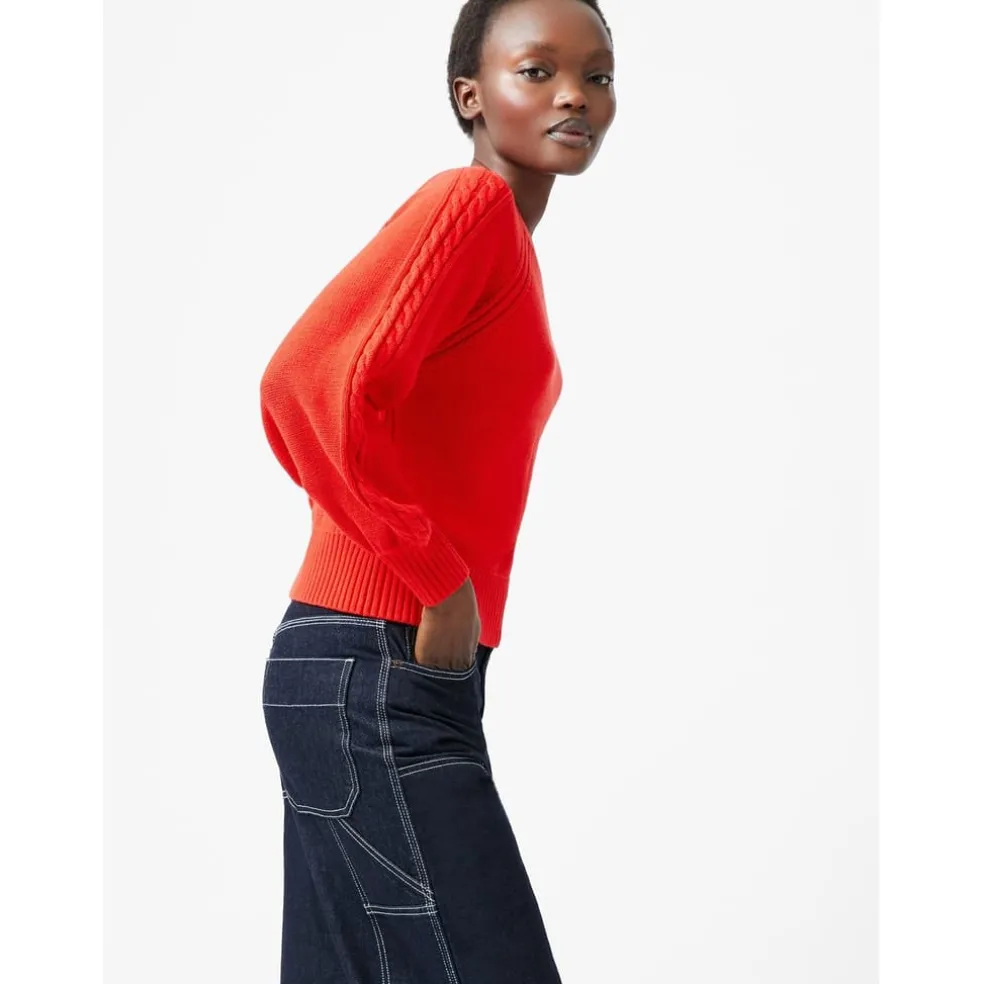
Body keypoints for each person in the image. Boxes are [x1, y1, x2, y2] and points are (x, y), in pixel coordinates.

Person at [258, 0, 616, 979]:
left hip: (372, 667)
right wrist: (436, 579)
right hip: (377, 661)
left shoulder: (507, 248)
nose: (575, 96)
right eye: (537, 71)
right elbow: (304, 384)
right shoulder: (471, 207)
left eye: (597, 75)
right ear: (471, 95)